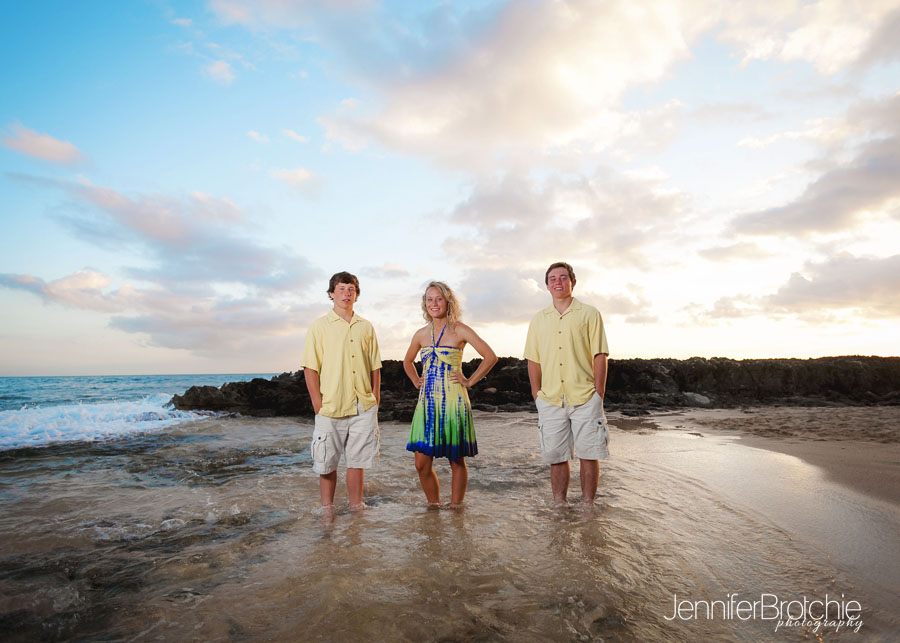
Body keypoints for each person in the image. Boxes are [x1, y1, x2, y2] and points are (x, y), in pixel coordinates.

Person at [403, 281, 497, 507]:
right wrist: (416, 379)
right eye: (429, 300)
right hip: (427, 402)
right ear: (424, 305)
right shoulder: (421, 334)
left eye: (438, 299)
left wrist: (469, 381)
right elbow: (407, 361)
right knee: (421, 463)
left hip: (454, 400)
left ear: (448, 302)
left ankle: (456, 508)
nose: (434, 303)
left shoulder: (460, 330)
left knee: (456, 459)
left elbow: (490, 357)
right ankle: (434, 506)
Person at [524, 262, 610, 504]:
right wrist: (536, 394)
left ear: (573, 281)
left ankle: (587, 508)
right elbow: (533, 359)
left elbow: (600, 355)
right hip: (550, 399)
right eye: (552, 278)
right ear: (547, 285)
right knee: (556, 457)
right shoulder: (538, 320)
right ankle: (559, 506)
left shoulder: (590, 314)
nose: (558, 282)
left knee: (589, 454)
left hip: (585, 396)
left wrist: (599, 393)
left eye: (563, 277)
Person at [302, 271, 382, 511]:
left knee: (357, 462)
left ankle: (357, 507)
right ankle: (327, 511)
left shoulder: (366, 327)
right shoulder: (319, 327)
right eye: (342, 289)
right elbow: (310, 367)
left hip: (362, 405)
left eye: (351, 289)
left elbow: (375, 367)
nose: (347, 293)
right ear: (331, 293)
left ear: (356, 295)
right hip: (331, 404)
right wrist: (317, 402)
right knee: (326, 462)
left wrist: (375, 398)